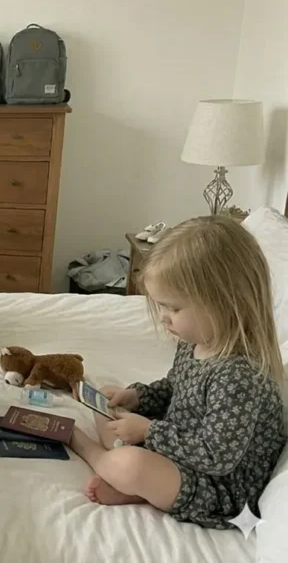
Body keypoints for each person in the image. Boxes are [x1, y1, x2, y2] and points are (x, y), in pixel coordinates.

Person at [67, 216, 286, 530]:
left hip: (217, 487)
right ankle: (136, 483)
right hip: (182, 452)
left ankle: (98, 457)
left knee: (129, 463)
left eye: (174, 308)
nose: (165, 319)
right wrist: (138, 396)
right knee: (110, 400)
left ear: (223, 302)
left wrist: (148, 432)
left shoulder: (239, 376)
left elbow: (216, 457)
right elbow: (176, 389)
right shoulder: (195, 341)